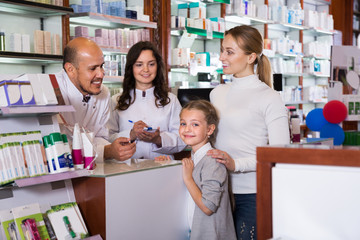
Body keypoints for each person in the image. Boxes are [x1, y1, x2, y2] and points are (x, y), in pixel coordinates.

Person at [207, 25, 290, 240]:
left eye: (230, 52)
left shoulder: (269, 97)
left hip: (253, 194)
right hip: (218, 190)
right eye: (222, 50)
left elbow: (280, 155)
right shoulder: (217, 93)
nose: (222, 57)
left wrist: (236, 164)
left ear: (251, 56)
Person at [56, 37, 136, 162]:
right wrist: (107, 151)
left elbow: (98, 136)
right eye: (93, 68)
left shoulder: (102, 92)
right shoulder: (53, 90)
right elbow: (56, 146)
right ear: (70, 69)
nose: (101, 74)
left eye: (102, 66)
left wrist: (112, 149)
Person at [107, 41, 186, 159]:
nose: (146, 70)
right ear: (131, 68)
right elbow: (107, 138)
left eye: (151, 64)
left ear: (157, 66)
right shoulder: (116, 101)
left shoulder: (171, 100)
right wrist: (131, 134)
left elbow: (182, 139)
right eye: (139, 64)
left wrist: (158, 139)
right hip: (126, 170)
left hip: (161, 168)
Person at [179, 100, 236, 240]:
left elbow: (207, 207)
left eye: (195, 124)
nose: (187, 129)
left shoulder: (212, 161)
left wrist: (188, 178)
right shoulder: (194, 158)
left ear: (210, 130)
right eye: (183, 123)